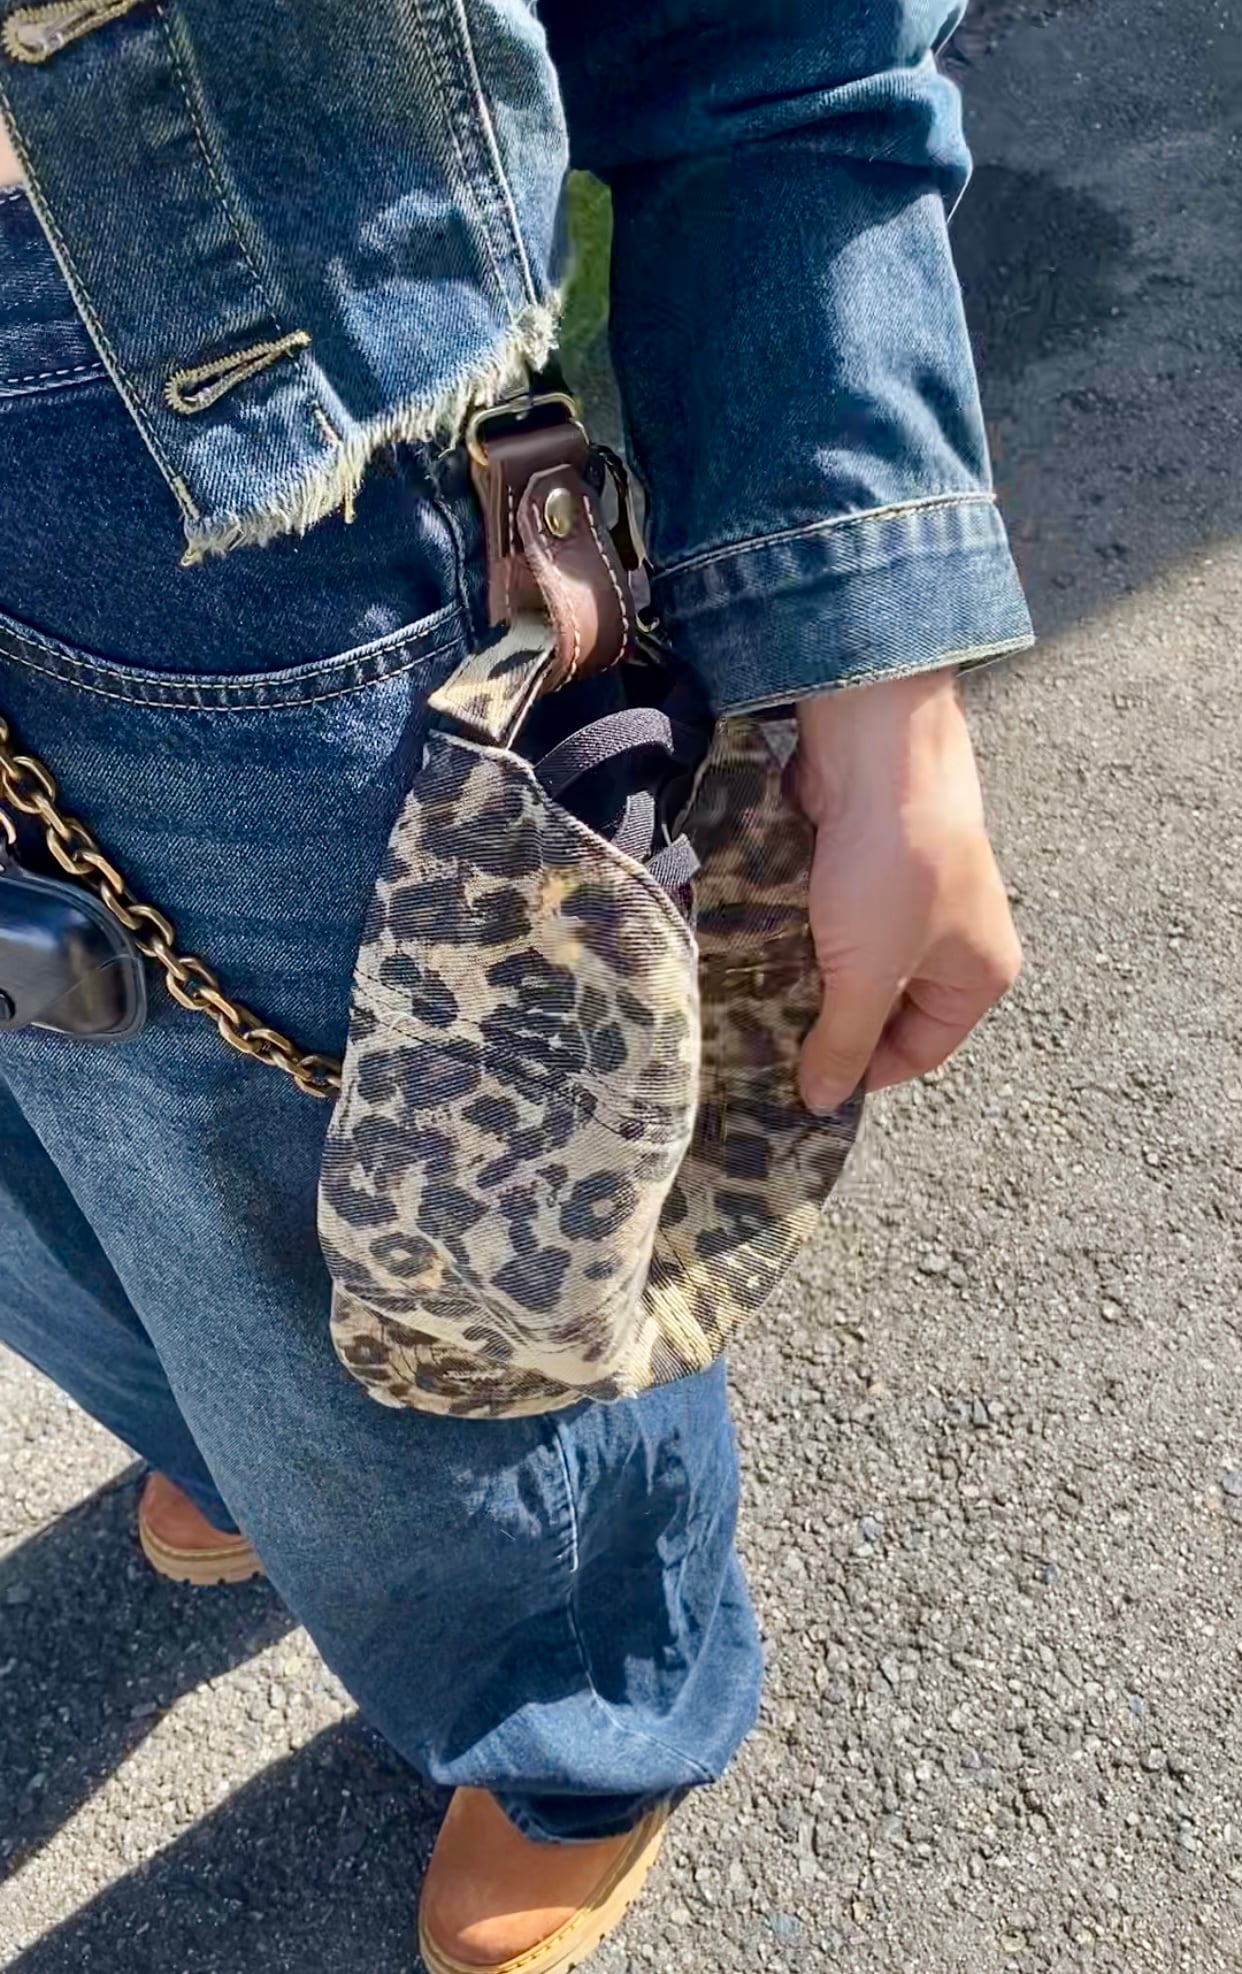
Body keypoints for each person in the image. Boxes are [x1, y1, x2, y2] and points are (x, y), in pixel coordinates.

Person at [0, 3, 1030, 1969]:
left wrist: (872, 657)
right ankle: (240, 1441)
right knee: (61, 1208)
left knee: (462, 1264)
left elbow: (768, 38)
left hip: (219, 440)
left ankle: (587, 1711)